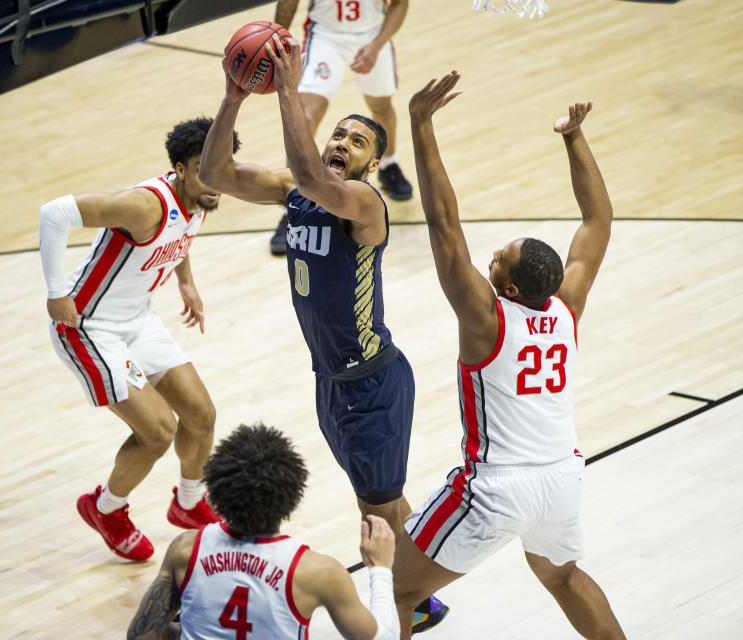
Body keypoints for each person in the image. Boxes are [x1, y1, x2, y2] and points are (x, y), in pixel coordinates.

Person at [199, 37, 447, 632]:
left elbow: (311, 174)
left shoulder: (364, 204)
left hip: (372, 382)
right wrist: (234, 97)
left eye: (356, 142)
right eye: (338, 133)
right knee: (380, 499)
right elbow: (213, 173)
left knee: (375, 507)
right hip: (331, 380)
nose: (341, 143)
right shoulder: (297, 191)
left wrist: (286, 87)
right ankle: (424, 591)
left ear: (369, 166)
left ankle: (404, 609)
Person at [392, 71, 626, 640]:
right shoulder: (566, 309)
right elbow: (598, 221)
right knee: (563, 576)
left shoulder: (487, 320)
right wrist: (574, 137)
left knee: (395, 588)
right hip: (561, 479)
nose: (490, 255)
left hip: (498, 485)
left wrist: (421, 125)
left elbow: (444, 226)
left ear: (512, 289)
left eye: (498, 259)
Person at [38, 118, 239, 562]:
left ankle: (188, 504)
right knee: (159, 431)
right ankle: (105, 509)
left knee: (201, 415)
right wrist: (56, 293)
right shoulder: (144, 206)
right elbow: (54, 213)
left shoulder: (204, 195)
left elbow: (181, 236)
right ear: (180, 169)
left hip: (138, 318)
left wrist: (185, 280)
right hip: (88, 326)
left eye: (221, 167)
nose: (216, 180)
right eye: (204, 169)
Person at [126, 423, 400, 640]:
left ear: (215, 490)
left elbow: (142, 635)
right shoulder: (318, 572)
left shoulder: (186, 548)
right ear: (293, 496)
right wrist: (381, 569)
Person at [269, 0, 413, 256]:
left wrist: (377, 45)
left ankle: (389, 165)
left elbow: (401, 4)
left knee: (381, 106)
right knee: (305, 117)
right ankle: (292, 206)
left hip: (372, 33)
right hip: (325, 34)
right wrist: (277, 39)